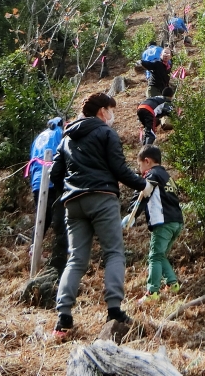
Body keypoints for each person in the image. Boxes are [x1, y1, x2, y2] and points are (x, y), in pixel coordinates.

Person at [50, 93, 153, 338]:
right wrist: (143, 185)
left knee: (75, 259)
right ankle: (114, 310)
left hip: (73, 203)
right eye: (110, 109)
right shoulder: (106, 133)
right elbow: (119, 169)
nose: (111, 115)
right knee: (114, 253)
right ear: (101, 112)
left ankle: (63, 318)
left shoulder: (66, 138)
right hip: (102, 197)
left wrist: (72, 186)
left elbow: (55, 174)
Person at [126, 144, 183, 302]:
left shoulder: (151, 174)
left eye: (140, 165)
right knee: (161, 255)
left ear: (147, 161)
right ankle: (172, 284)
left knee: (154, 256)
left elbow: (143, 194)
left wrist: (132, 215)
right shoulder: (167, 176)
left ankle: (152, 292)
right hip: (176, 222)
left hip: (163, 222)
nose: (140, 169)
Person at [27, 117, 67, 274]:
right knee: (57, 217)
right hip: (51, 179)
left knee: (42, 216)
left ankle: (33, 249)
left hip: (37, 179)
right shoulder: (58, 133)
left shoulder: (40, 136)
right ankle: (58, 253)